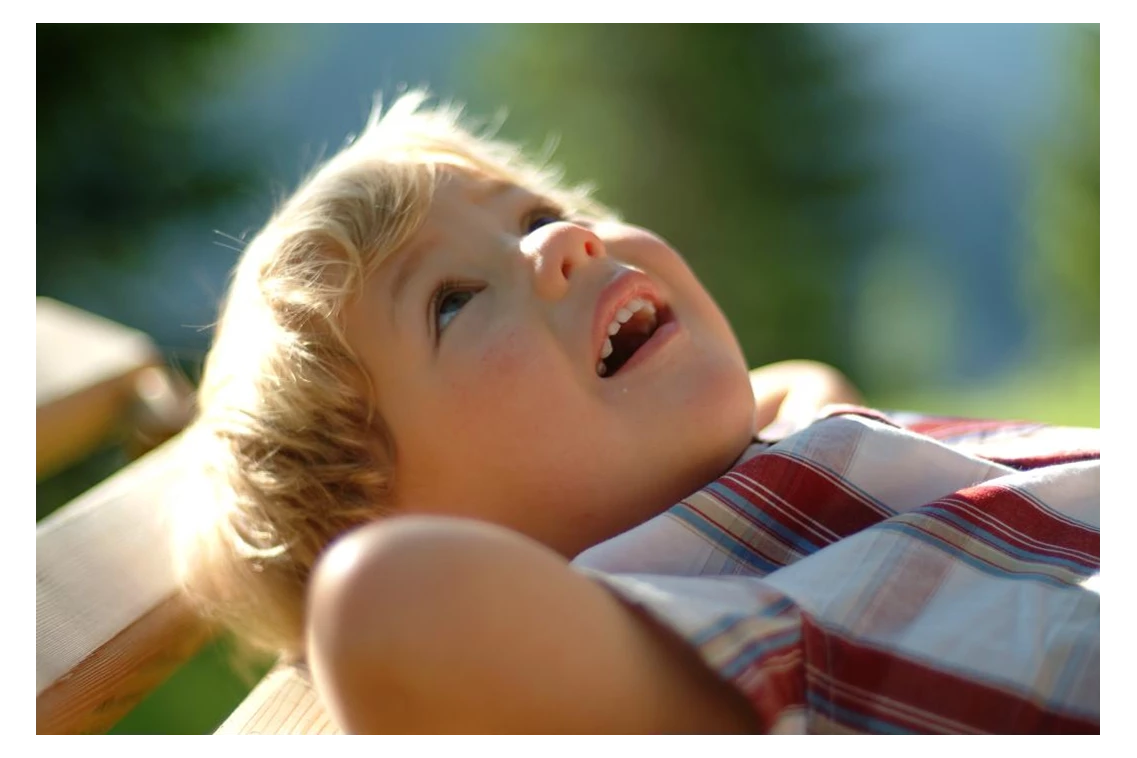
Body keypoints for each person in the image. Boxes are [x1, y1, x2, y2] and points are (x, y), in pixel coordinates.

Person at [172, 90, 1100, 735]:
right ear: (417, 519)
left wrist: (786, 402)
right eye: (451, 300)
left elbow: (791, 382)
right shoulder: (672, 649)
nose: (565, 242)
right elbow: (384, 603)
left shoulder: (775, 458)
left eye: (533, 213)